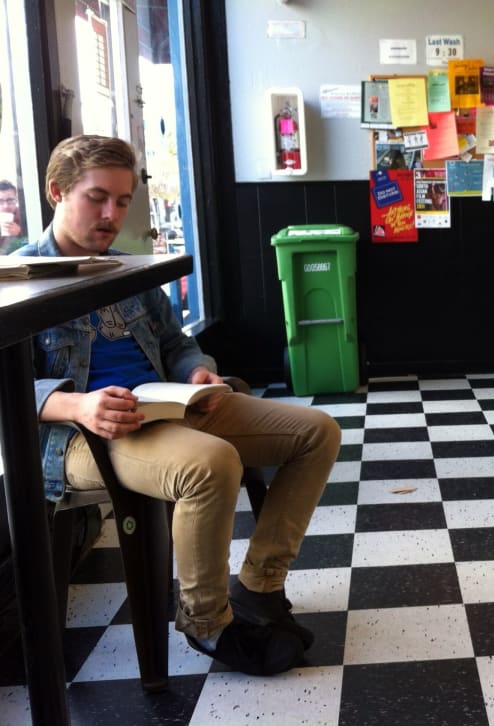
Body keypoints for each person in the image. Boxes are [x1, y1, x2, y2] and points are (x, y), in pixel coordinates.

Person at [15, 135, 341, 675]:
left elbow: (173, 341)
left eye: (122, 201)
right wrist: (75, 406)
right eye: (98, 198)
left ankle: (260, 585)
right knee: (212, 464)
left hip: (164, 405)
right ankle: (208, 622)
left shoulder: (127, 270)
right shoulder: (19, 281)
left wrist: (194, 369)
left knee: (317, 431)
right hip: (84, 436)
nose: (111, 214)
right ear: (56, 192)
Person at [0, 179, 26, 254]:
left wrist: (20, 234)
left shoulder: (25, 217)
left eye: (10, 200)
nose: (6, 206)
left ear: (16, 200)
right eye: (0, 201)